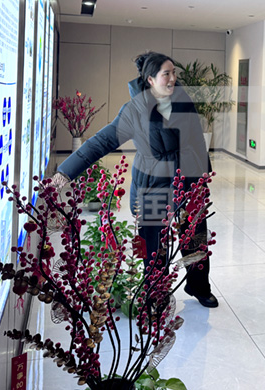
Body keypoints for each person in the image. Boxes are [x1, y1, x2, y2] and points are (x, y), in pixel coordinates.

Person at [51, 51, 219, 308]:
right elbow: (102, 142)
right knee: (153, 245)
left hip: (187, 179)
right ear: (150, 79)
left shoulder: (183, 101)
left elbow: (197, 141)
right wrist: (65, 172)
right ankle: (156, 292)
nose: (173, 78)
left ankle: (198, 286)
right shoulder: (134, 110)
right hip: (152, 184)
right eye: (166, 74)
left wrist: (202, 180)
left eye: (174, 73)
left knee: (195, 236)